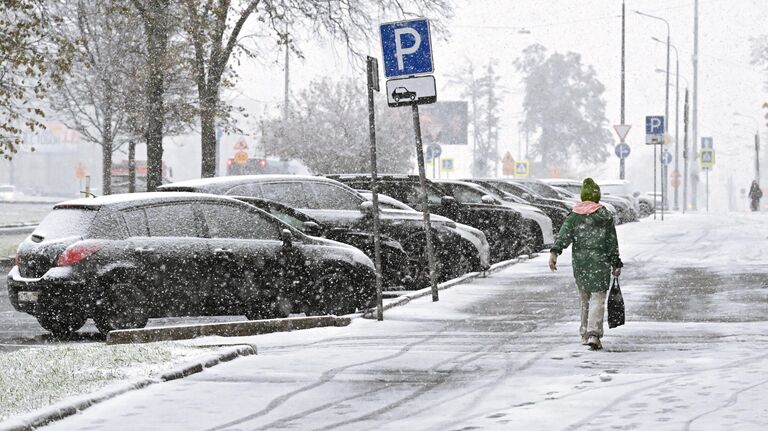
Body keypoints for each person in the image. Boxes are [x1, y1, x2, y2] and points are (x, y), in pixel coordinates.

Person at [548, 178, 622, 350]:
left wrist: (554, 253)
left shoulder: (574, 216)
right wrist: (615, 261)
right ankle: (594, 334)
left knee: (584, 299)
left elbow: (564, 236)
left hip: (581, 264)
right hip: (600, 262)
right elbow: (611, 242)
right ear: (597, 197)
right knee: (598, 298)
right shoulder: (605, 216)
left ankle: (584, 333)